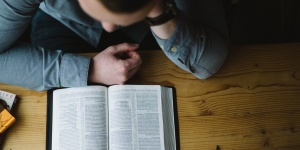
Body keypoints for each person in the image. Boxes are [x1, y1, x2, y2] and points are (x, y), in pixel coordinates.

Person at [0, 0, 229, 91]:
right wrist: (88, 70)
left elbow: (209, 61)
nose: (110, 27)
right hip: (64, 23)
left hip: (155, 20)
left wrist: (157, 12)